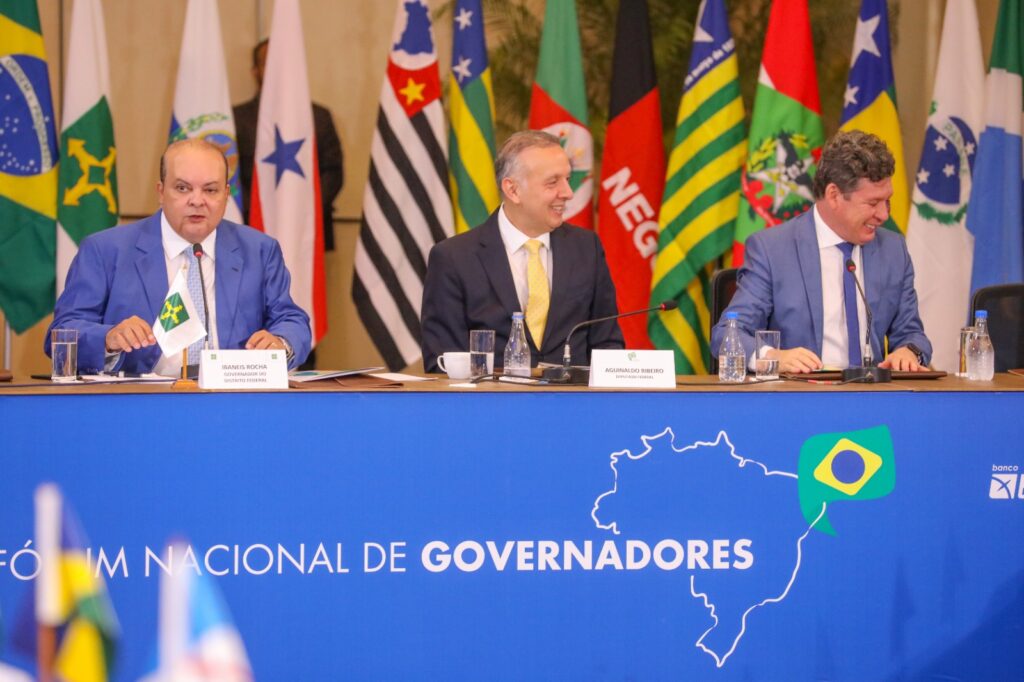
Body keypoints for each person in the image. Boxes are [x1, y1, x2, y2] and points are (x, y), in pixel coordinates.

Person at [46, 138, 311, 376]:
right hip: (138, 402)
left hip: (232, 397)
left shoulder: (259, 250)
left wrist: (281, 343)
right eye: (183, 188)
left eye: (210, 190)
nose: (197, 200)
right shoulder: (105, 250)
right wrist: (108, 338)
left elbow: (292, 321)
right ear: (161, 192)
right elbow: (62, 334)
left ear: (226, 194)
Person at [711, 130, 931, 373]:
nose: (883, 215)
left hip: (874, 394)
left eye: (887, 200)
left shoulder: (893, 250)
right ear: (834, 195)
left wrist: (909, 351)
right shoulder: (772, 250)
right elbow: (727, 334)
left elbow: (912, 334)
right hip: (800, 393)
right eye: (872, 203)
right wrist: (773, 357)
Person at [421, 130, 623, 373]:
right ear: (513, 190)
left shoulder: (586, 248)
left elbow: (608, 345)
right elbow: (443, 362)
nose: (568, 193)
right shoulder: (454, 258)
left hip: (574, 397)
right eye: (553, 182)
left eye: (568, 179)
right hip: (492, 397)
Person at [233, 38, 344, 250]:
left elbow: (333, 173)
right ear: (255, 71)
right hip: (250, 228)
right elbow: (229, 174)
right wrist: (257, 211)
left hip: (307, 231)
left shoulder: (319, 117)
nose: (277, 69)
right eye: (268, 62)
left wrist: (303, 211)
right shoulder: (237, 118)